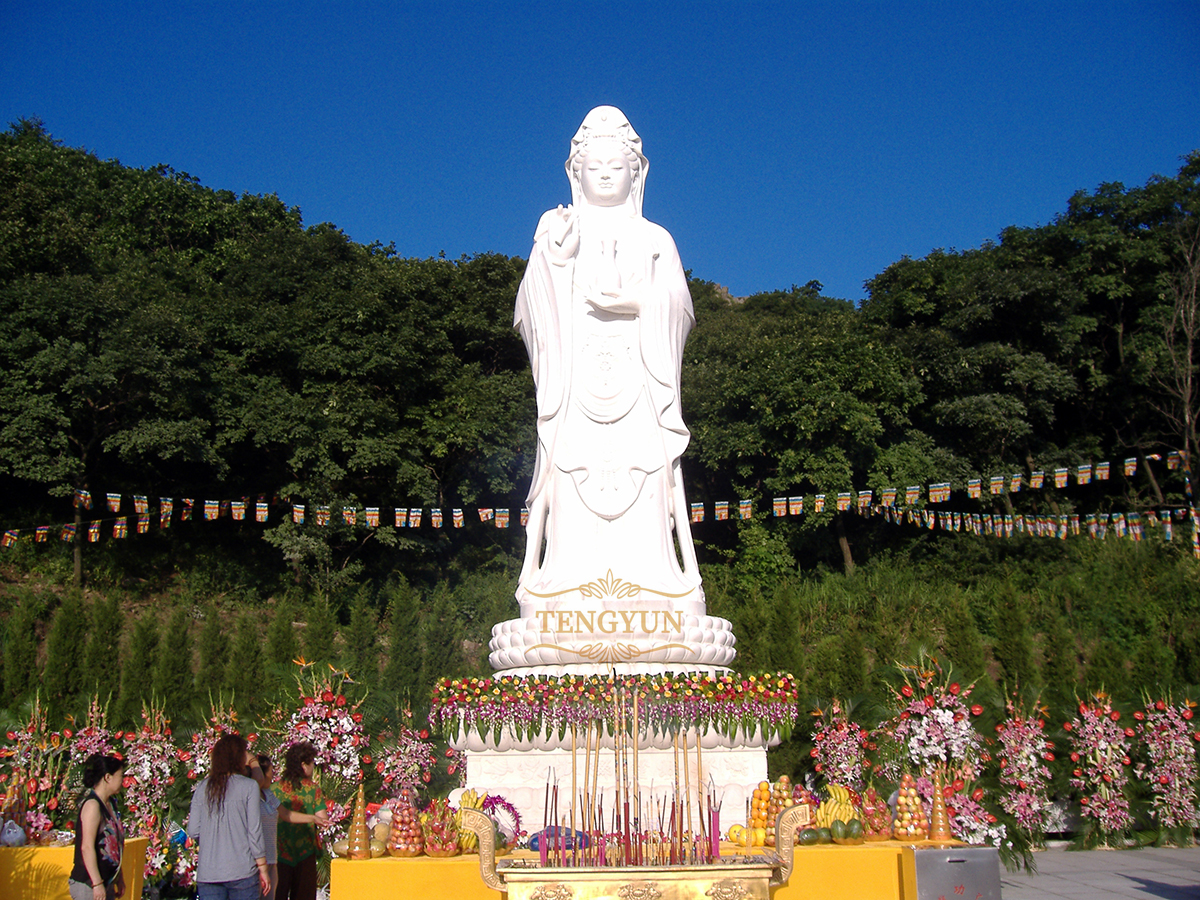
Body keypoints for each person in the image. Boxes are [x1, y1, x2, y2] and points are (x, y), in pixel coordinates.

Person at [514, 105, 703, 612]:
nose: (603, 173)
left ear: (635, 172)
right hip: (575, 385)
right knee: (573, 476)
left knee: (643, 477)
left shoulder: (655, 237)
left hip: (640, 383)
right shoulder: (556, 229)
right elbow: (530, 310)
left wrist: (640, 303)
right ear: (575, 172)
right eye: (593, 165)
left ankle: (655, 590)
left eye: (615, 166)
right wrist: (553, 261)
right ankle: (562, 589)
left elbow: (680, 309)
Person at [188, 733, 268, 900]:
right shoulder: (249, 787)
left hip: (209, 873)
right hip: (242, 870)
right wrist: (263, 867)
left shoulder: (202, 788)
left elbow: (193, 829)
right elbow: (254, 831)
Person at [247, 751, 327, 900]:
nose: (272, 776)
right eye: (270, 772)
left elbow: (286, 814)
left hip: (274, 857)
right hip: (263, 858)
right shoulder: (249, 796)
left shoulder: (271, 793)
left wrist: (312, 818)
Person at [271, 742, 325, 900]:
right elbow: (323, 818)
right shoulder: (312, 789)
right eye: (311, 763)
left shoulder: (273, 789)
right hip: (305, 853)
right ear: (303, 765)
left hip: (278, 853)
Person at [68, 753, 126, 900]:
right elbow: (86, 847)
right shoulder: (92, 806)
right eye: (120, 776)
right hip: (90, 883)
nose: (123, 781)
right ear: (108, 777)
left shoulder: (111, 804)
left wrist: (119, 876)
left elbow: (116, 843)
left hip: (107, 880)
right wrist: (97, 883)